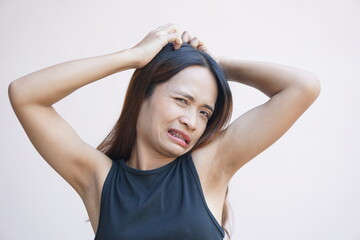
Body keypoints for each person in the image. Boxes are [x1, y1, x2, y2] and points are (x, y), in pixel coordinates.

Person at [8, 24, 321, 239]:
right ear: (144, 95)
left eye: (204, 112)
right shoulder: (99, 180)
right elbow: (25, 94)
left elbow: (303, 87)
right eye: (181, 100)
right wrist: (133, 57)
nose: (192, 121)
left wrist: (216, 65)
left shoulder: (209, 167)